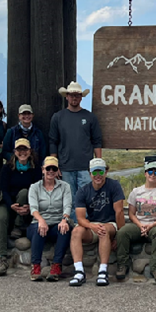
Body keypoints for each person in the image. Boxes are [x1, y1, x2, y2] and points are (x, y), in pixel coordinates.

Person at [49, 81, 103, 221]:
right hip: (65, 167)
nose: (74, 98)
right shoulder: (58, 117)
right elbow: (53, 141)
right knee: (70, 200)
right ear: (67, 96)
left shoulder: (90, 117)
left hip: (86, 167)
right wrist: (55, 165)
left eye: (77, 95)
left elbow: (97, 141)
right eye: (72, 95)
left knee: (89, 199)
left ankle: (89, 228)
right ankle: (75, 228)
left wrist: (98, 164)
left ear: (81, 97)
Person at [69, 158, 125, 287]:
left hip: (110, 223)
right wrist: (91, 226)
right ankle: (79, 271)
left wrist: (119, 235)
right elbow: (80, 217)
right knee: (76, 231)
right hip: (92, 224)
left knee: (103, 229)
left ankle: (103, 271)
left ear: (106, 171)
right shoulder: (83, 191)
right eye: (94, 172)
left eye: (101, 172)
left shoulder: (114, 185)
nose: (98, 176)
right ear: (90, 173)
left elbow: (119, 212)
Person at [116, 162, 156, 284]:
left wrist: (151, 225)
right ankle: (122, 265)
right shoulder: (136, 191)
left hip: (155, 225)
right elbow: (131, 213)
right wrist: (140, 225)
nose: (153, 175)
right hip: (138, 224)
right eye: (150, 172)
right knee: (122, 232)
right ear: (145, 174)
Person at [0, 138, 42, 276]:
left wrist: (30, 206)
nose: (22, 152)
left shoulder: (35, 168)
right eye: (19, 150)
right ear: (15, 151)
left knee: (25, 192)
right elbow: (4, 189)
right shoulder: (7, 168)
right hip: (9, 202)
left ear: (29, 151)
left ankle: (18, 225)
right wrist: (11, 205)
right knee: (1, 217)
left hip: (27, 203)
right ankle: (1, 257)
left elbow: (37, 190)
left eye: (25, 149)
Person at [28, 156, 72, 282]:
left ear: (58, 170)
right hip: (38, 222)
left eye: (54, 168)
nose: (51, 171)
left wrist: (64, 219)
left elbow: (67, 206)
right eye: (48, 168)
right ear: (43, 169)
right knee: (39, 228)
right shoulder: (34, 187)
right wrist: (41, 220)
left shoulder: (65, 187)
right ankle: (36, 266)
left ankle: (56, 266)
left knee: (65, 229)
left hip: (57, 222)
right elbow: (33, 208)